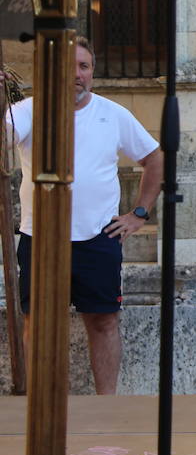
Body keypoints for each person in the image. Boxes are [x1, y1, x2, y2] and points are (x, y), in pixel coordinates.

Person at [10, 37, 163, 395]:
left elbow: (154, 158)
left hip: (98, 238)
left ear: (92, 72)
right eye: (69, 66)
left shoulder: (113, 114)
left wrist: (139, 213)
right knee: (39, 324)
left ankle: (106, 405)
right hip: (41, 238)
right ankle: (41, 405)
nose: (77, 75)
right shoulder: (28, 111)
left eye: (84, 66)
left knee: (104, 321)